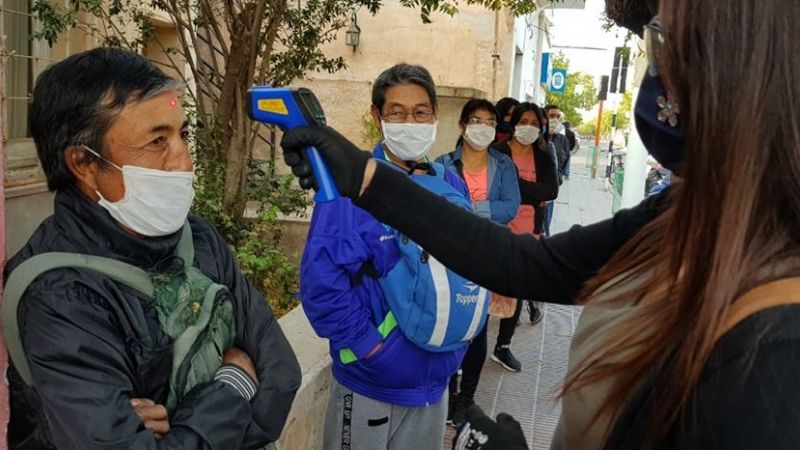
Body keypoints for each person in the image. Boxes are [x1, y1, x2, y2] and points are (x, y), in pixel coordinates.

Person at [282, 0, 800, 448]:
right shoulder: (684, 215)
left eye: (665, 41)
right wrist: (367, 178)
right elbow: (522, 264)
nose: (655, 76)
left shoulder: (777, 355)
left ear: (743, 71)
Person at [5, 47, 301, 449]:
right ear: (84, 163)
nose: (184, 162)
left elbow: (280, 375)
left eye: (183, 135)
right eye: (158, 141)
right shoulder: (60, 294)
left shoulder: (197, 239)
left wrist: (182, 430)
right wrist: (234, 385)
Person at [299, 63, 471, 450]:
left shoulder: (451, 183)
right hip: (371, 384)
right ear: (377, 117)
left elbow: (468, 269)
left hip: (435, 384)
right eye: (397, 112)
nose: (410, 122)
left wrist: (458, 345)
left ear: (435, 115)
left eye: (420, 112)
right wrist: (373, 349)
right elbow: (320, 285)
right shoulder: (351, 186)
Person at [435, 99, 520, 427]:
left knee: (478, 327)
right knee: (451, 325)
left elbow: (510, 208)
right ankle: (449, 392)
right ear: (462, 125)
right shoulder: (443, 165)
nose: (483, 128)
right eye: (476, 120)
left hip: (485, 255)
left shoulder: (504, 165)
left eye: (489, 122)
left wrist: (469, 208)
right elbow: (438, 207)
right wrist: (483, 209)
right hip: (449, 255)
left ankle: (466, 398)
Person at [492, 102, 559, 370]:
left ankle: (503, 346)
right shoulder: (498, 153)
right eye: (524, 122)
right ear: (513, 123)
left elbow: (551, 191)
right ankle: (470, 344)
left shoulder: (542, 156)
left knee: (517, 288)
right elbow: (495, 187)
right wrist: (532, 193)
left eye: (534, 123)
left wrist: (516, 189)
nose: (529, 127)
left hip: (529, 230)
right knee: (487, 285)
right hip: (498, 228)